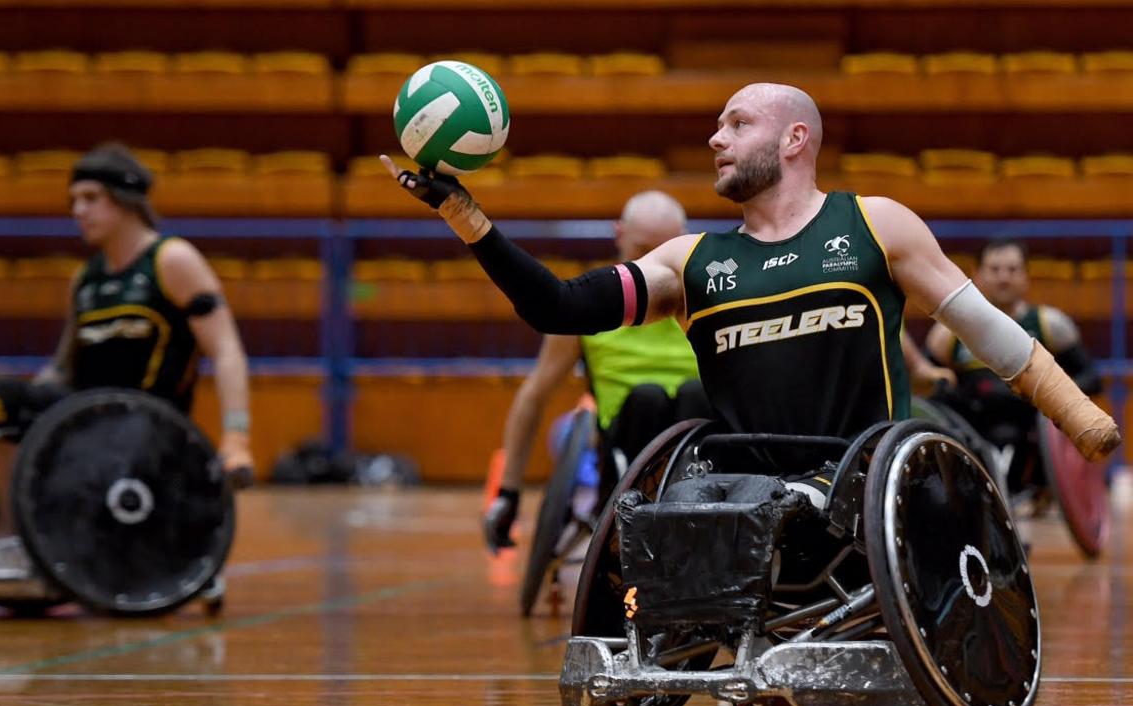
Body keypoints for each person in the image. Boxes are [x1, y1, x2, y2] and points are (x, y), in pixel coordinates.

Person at [382, 82, 1119, 478]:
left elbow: (992, 333)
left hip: (866, 479)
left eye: (736, 124)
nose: (715, 138)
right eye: (718, 126)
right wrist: (469, 220)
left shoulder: (876, 223)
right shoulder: (688, 260)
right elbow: (559, 308)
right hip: (744, 488)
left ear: (795, 139)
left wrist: (1077, 415)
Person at [0, 143, 254, 539]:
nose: (78, 212)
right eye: (73, 201)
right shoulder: (86, 280)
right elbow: (63, 366)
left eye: (91, 199)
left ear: (126, 201)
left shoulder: (171, 260)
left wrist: (236, 437)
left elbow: (227, 350)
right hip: (83, 418)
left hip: (144, 423)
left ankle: (19, 534)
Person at [483, 191, 707, 553]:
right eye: (641, 250)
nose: (653, 262)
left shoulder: (707, 299)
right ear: (619, 234)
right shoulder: (590, 305)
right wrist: (507, 492)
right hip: (627, 441)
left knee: (696, 394)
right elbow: (534, 395)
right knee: (646, 398)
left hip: (699, 438)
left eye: (664, 249)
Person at [926, 238, 1103, 490]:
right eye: (995, 269)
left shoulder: (1050, 324)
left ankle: (1039, 488)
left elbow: (1091, 379)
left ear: (1026, 276)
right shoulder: (949, 331)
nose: (1003, 278)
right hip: (974, 425)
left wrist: (1047, 396)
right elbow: (925, 379)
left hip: (1030, 424)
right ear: (977, 275)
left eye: (1012, 270)